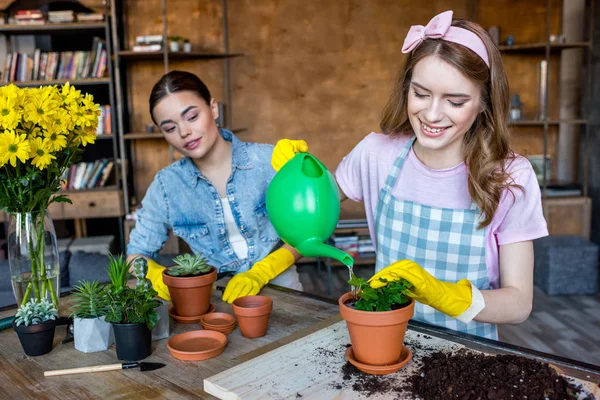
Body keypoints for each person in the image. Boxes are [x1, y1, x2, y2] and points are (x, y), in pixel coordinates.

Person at [271, 11, 548, 339]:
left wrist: (444, 295)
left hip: (467, 354)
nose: (431, 114)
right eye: (420, 94)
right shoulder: (377, 154)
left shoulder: (510, 176)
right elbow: (316, 205)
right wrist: (299, 173)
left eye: (455, 101)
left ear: (484, 102)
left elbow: (518, 304)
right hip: (382, 339)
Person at [127, 70, 303, 304]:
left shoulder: (268, 160)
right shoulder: (166, 186)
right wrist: (158, 278)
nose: (184, 132)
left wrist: (263, 271)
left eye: (192, 116)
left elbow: (307, 232)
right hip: (215, 299)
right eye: (170, 128)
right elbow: (135, 255)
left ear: (213, 109)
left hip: (284, 292)